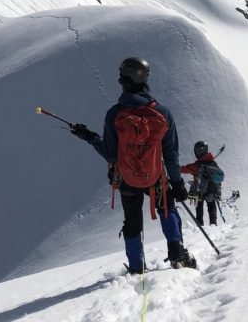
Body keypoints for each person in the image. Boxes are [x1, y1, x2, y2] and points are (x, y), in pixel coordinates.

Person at [70, 56, 197, 273]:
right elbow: (171, 154)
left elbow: (111, 154)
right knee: (167, 209)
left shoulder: (114, 115)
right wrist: (177, 183)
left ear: (122, 81)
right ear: (145, 79)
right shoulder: (163, 113)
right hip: (156, 176)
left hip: (127, 178)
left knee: (132, 220)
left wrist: (90, 137)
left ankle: (137, 267)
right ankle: (178, 253)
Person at [180, 141, 222, 227]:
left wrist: (174, 168)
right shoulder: (213, 163)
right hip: (211, 190)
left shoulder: (196, 166)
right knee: (211, 205)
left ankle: (200, 224)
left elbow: (184, 169)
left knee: (199, 207)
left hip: (200, 191)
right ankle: (213, 223)